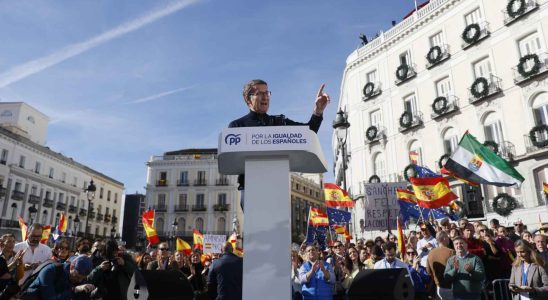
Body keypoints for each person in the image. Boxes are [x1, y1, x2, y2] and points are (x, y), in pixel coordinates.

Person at [228, 79, 330, 192]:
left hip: (279, 189)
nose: (265, 97)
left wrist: (318, 111)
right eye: (260, 93)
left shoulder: (280, 123)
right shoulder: (237, 126)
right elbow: (232, 160)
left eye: (267, 93)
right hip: (249, 189)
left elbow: (309, 133)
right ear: (248, 98)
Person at [24, 255, 95, 300]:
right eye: (77, 276)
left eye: (83, 278)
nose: (80, 280)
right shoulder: (50, 271)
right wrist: (74, 290)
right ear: (72, 267)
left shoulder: (81, 279)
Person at [426, 231, 454, 300]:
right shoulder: (451, 252)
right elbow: (457, 269)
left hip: (438, 287)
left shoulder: (431, 253)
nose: (448, 239)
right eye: (447, 237)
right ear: (444, 238)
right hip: (450, 287)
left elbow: (428, 271)